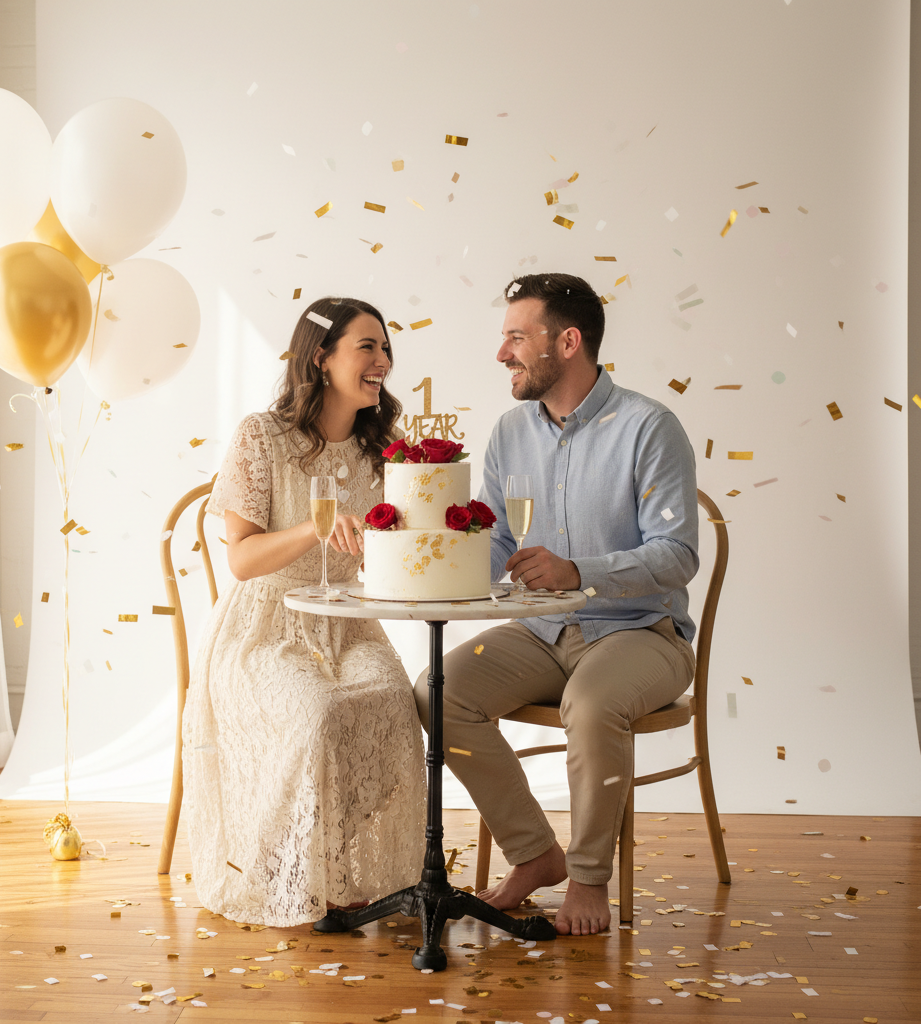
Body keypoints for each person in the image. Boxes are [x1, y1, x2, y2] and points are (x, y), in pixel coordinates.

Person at [414, 273, 698, 936]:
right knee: (436, 690)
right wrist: (429, 567)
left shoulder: (650, 427)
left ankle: (590, 877)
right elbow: (499, 547)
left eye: (517, 336)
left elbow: (677, 555)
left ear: (568, 342)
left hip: (640, 633)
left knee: (593, 704)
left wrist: (581, 572)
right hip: (541, 633)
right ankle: (536, 853)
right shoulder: (510, 433)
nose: (501, 353)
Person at [183, 297, 425, 928]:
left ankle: (326, 860)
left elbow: (394, 552)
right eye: (366, 347)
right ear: (322, 357)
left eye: (385, 348)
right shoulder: (261, 437)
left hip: (347, 623)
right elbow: (240, 560)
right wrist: (317, 529)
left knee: (393, 705)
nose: (382, 362)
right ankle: (275, 864)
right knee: (318, 713)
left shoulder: (386, 448)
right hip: (264, 627)